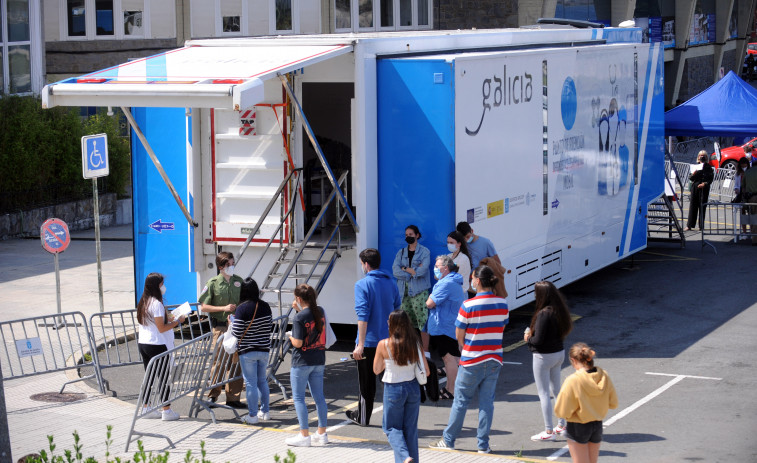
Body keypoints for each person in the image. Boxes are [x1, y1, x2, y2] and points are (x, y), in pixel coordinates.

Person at [429, 265, 508, 453]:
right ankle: (483, 445)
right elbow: (501, 328)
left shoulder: (468, 305)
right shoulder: (502, 303)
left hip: (472, 360)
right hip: (494, 359)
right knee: (487, 403)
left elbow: (460, 334)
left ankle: (448, 440)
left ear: (477, 281)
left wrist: (465, 348)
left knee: (461, 401)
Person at [347, 248, 402, 426]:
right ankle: (393, 419)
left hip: (370, 342)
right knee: (388, 381)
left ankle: (363, 417)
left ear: (366, 264)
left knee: (366, 383)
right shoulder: (391, 282)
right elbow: (397, 311)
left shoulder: (362, 285)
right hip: (388, 340)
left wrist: (360, 344)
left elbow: (362, 316)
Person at [374, 310, 430, 463]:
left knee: (391, 428)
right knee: (410, 430)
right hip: (412, 387)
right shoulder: (415, 343)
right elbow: (427, 370)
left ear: (392, 324)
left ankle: (405, 457)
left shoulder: (384, 345)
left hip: (393, 388)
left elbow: (376, 369)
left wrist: (388, 362)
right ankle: (410, 459)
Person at [525, 281, 573, 442]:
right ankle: (562, 424)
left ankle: (548, 430)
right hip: (559, 353)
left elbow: (537, 341)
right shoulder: (559, 310)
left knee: (543, 393)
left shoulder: (543, 314)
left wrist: (527, 338)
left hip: (543, 356)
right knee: (556, 390)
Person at [555, 343, 618, 463]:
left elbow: (561, 411)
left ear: (573, 360)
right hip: (597, 423)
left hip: (577, 425)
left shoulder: (573, 380)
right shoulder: (603, 376)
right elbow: (613, 403)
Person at [199, 251, 245, 408]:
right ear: (220, 267)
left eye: (233, 264)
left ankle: (234, 397)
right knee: (219, 361)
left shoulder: (239, 281)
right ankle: (213, 395)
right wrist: (223, 308)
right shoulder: (212, 283)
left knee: (236, 361)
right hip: (220, 326)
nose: (231, 267)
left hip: (237, 326)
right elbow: (204, 306)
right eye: (228, 265)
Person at [136, 273, 185, 421]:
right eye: (162, 284)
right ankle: (166, 410)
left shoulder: (144, 301)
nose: (164, 287)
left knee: (149, 376)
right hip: (156, 343)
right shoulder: (156, 304)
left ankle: (146, 407)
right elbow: (162, 328)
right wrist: (179, 321)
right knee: (163, 377)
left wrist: (172, 317)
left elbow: (158, 321)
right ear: (157, 286)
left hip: (144, 342)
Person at [286, 284, 330, 446]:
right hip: (319, 358)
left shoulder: (298, 317)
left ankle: (304, 435)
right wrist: (300, 310)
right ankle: (322, 433)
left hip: (302, 361)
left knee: (298, 398)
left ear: (298, 298)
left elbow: (297, 343)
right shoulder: (321, 311)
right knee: (319, 397)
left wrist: (290, 337)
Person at [230, 277, 273, 425]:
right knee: (262, 381)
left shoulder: (242, 308)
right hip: (264, 349)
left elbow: (236, 332)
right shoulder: (266, 306)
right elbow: (269, 326)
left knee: (251, 383)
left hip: (248, 350)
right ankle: (265, 411)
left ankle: (253, 415)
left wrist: (232, 322)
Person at [425, 255, 464, 399]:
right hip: (450, 325)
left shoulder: (445, 284)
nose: (434, 269)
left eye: (437, 266)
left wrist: (429, 298)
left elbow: (430, 303)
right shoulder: (453, 281)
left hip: (444, 326)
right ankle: (454, 388)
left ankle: (451, 389)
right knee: (453, 358)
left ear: (445, 268)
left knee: (448, 359)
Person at [392, 225, 432, 333]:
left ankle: (424, 348)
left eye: (410, 234)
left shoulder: (424, 252)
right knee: (405, 321)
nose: (408, 237)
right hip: (403, 292)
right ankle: (409, 346)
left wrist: (404, 268)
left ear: (417, 235)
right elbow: (395, 270)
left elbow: (422, 271)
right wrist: (410, 272)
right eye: (406, 235)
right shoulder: (401, 253)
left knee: (422, 321)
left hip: (419, 291)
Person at [684, 150, 714, 231]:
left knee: (702, 206)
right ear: (698, 157)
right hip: (695, 187)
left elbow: (710, 179)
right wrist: (693, 173)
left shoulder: (709, 167)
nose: (702, 157)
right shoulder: (696, 166)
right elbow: (690, 177)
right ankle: (689, 225)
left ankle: (701, 226)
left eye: (704, 155)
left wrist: (705, 184)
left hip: (704, 189)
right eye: (700, 155)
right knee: (693, 206)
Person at [446, 231, 472, 295]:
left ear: (459, 244)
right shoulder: (448, 256)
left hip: (460, 293)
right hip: (449, 292)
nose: (449, 244)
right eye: (448, 242)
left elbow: (455, 277)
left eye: (451, 243)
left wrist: (442, 274)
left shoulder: (463, 258)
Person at [742, 157, 757, 244]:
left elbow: (743, 187)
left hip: (751, 198)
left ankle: (754, 239)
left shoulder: (747, 172)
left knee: (753, 218)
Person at [734, 158, 750, 235]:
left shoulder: (750, 172)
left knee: (751, 213)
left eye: (745, 165)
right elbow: (736, 185)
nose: (744, 167)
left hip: (749, 195)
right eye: (742, 166)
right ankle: (744, 231)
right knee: (743, 213)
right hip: (741, 196)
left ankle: (752, 230)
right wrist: (736, 189)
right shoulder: (738, 174)